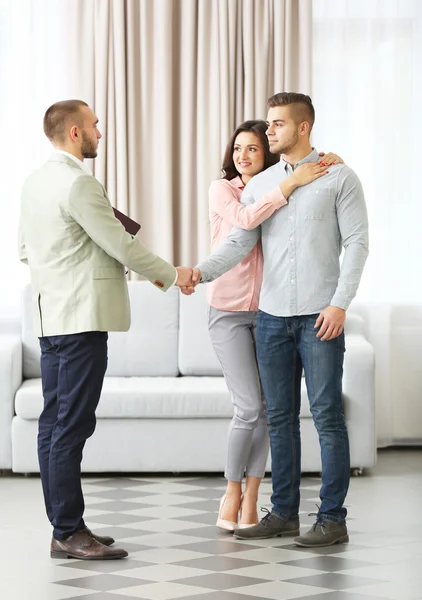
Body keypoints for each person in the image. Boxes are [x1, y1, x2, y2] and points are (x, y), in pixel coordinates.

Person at [18, 99, 194, 560]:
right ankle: (68, 530)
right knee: (71, 425)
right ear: (75, 132)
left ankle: (64, 524)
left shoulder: (34, 183)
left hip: (49, 316)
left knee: (55, 423)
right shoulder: (80, 184)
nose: (100, 131)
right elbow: (120, 246)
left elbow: (25, 251)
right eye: (94, 124)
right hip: (81, 320)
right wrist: (173, 275)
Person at [194, 92, 369, 547]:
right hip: (271, 318)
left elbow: (357, 243)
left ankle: (332, 518)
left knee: (328, 416)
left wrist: (339, 302)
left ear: (303, 126)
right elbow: (237, 243)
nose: (268, 132)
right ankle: (285, 512)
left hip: (319, 317)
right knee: (279, 419)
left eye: (276, 125)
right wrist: (197, 272)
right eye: (268, 125)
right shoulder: (262, 185)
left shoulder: (339, 177)